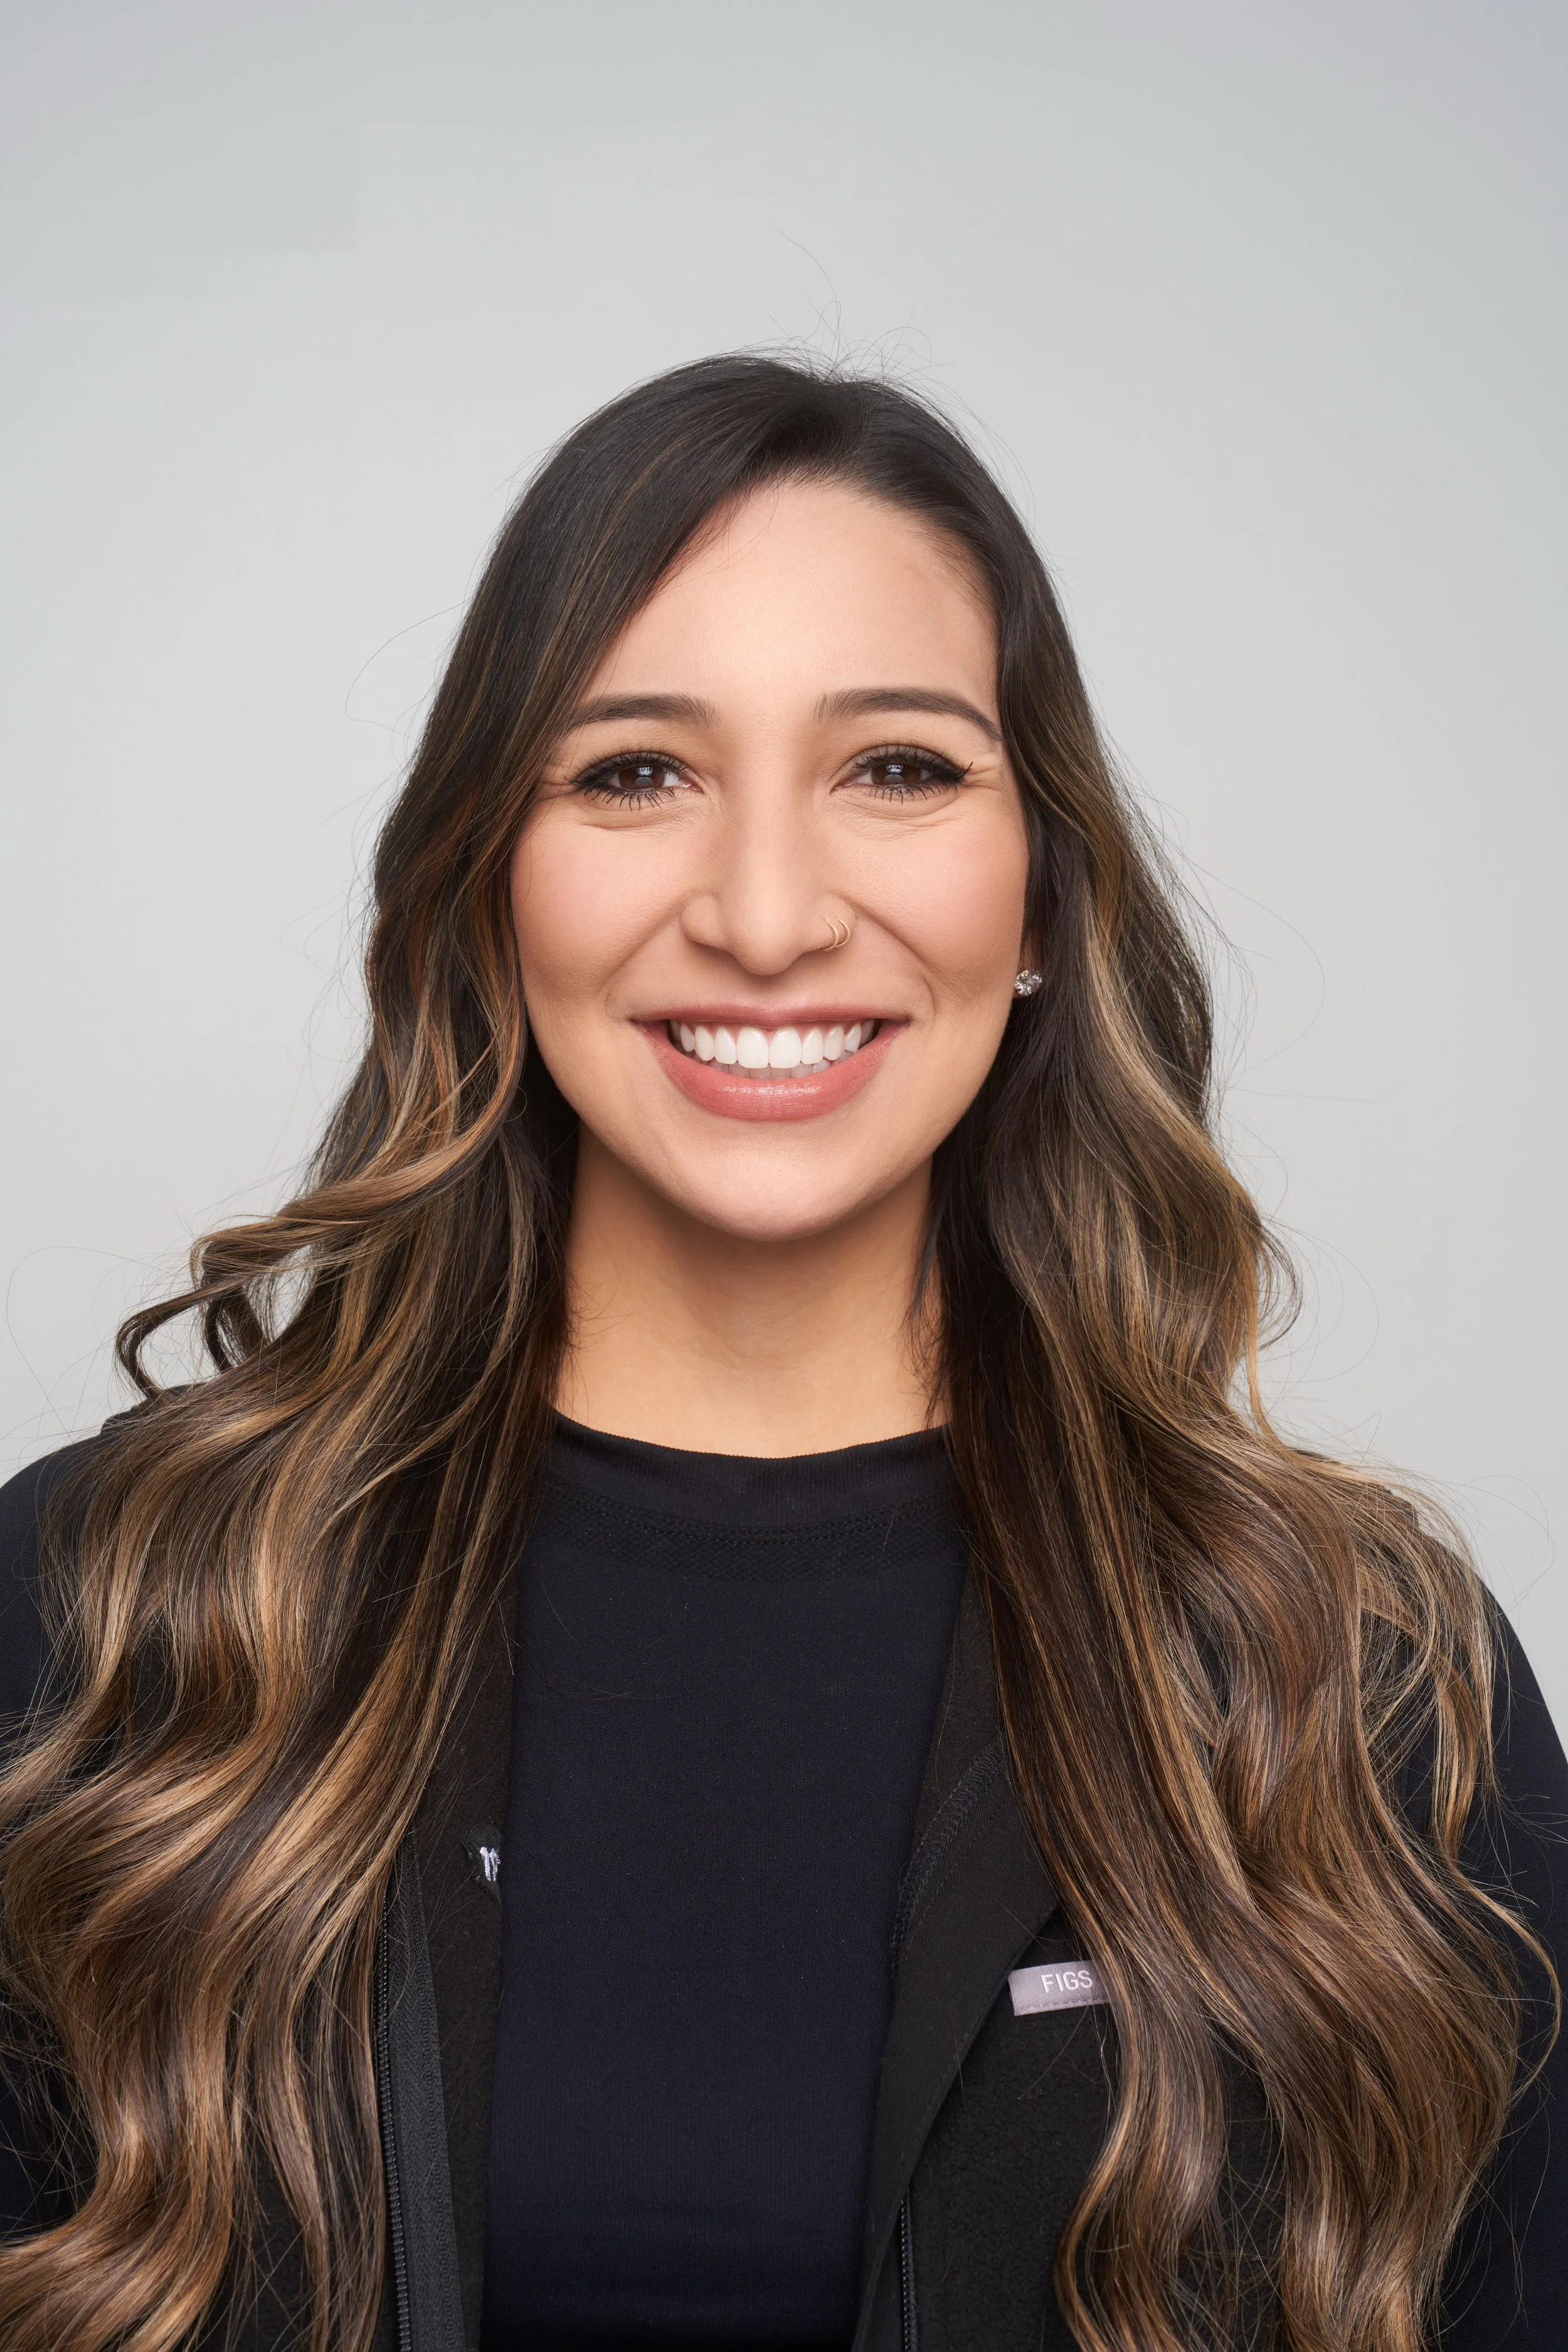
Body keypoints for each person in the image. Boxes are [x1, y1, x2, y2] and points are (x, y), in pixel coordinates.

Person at [1, 355, 1563, 2352]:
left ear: (1038, 893)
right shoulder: (119, 1605)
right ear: (490, 883)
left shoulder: (1353, 1670)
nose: (761, 915)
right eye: (632, 772)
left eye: (896, 767)